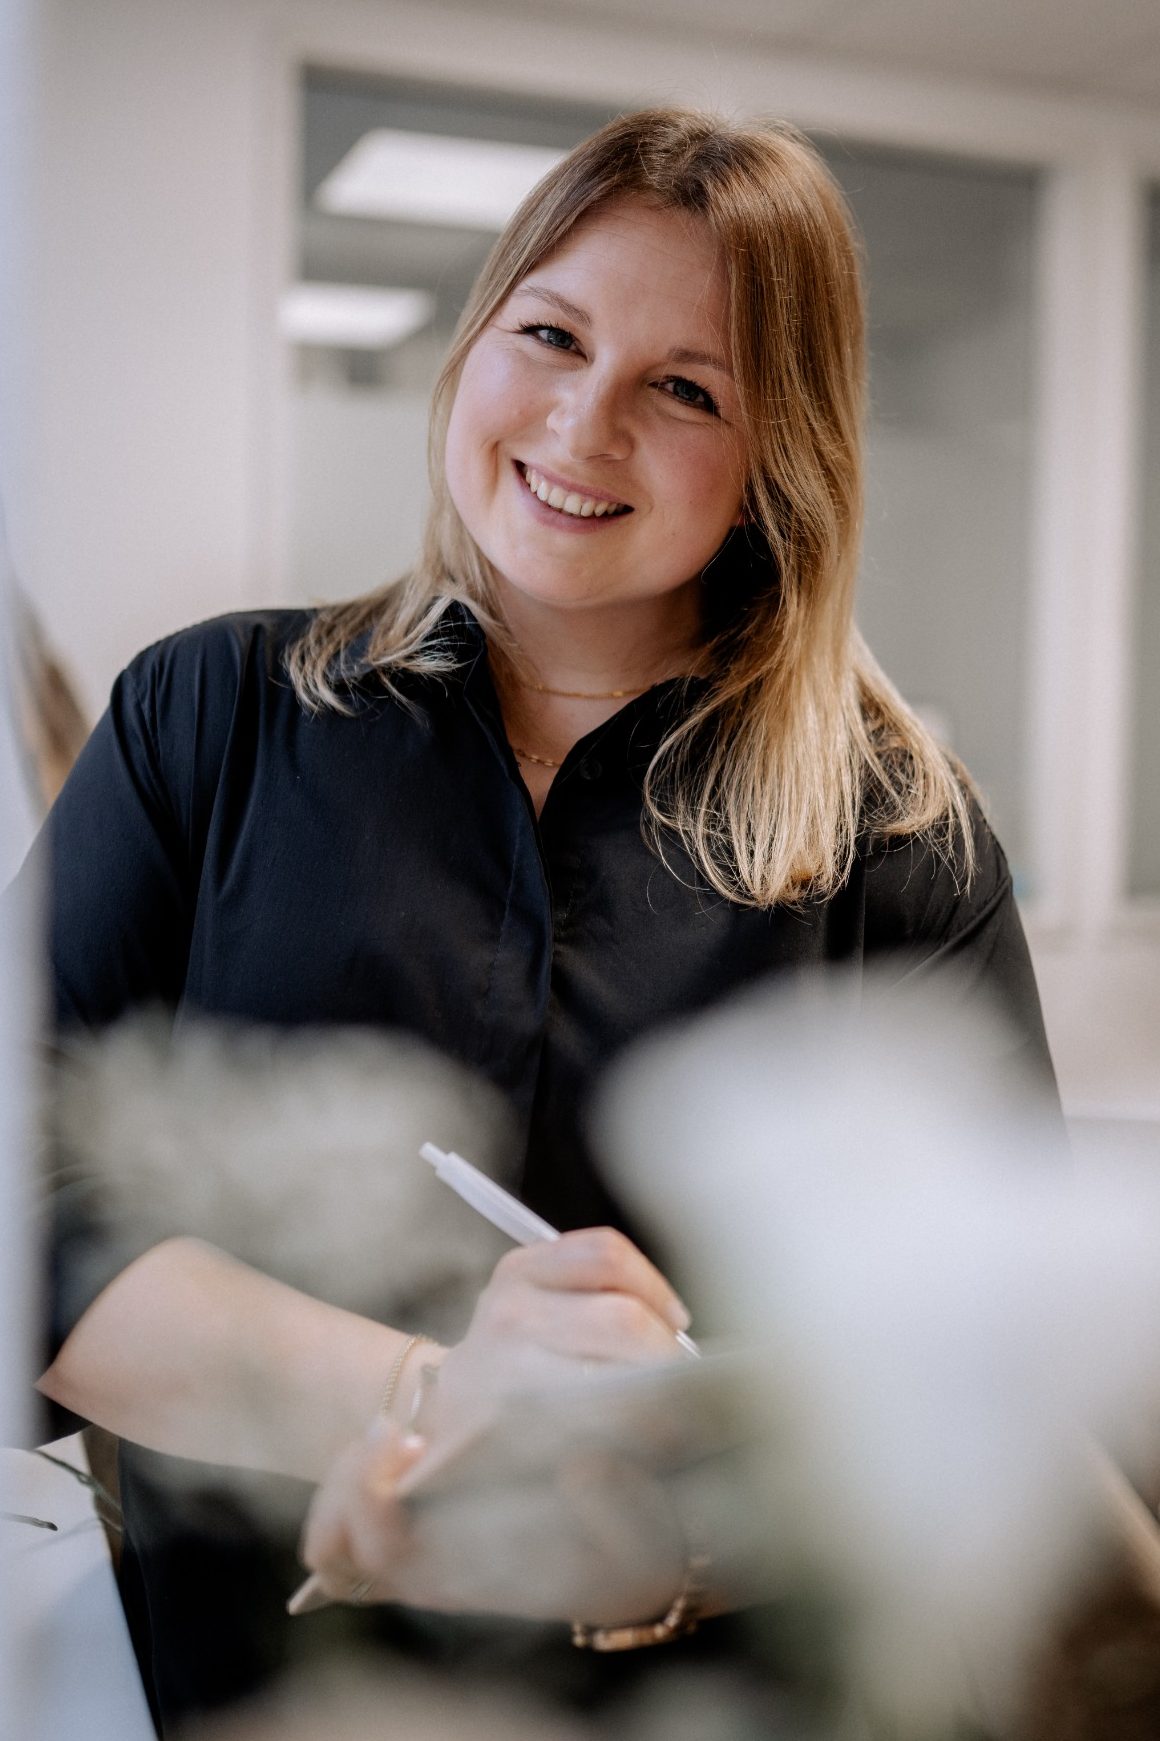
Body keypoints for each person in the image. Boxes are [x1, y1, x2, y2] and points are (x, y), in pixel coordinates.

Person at [27, 108, 1056, 1732]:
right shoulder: (207, 718)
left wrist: (655, 1532)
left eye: (686, 388)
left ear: (777, 459)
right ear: (476, 342)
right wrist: (433, 1399)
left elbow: (989, 1376)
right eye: (553, 336)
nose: (585, 425)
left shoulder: (898, 836)